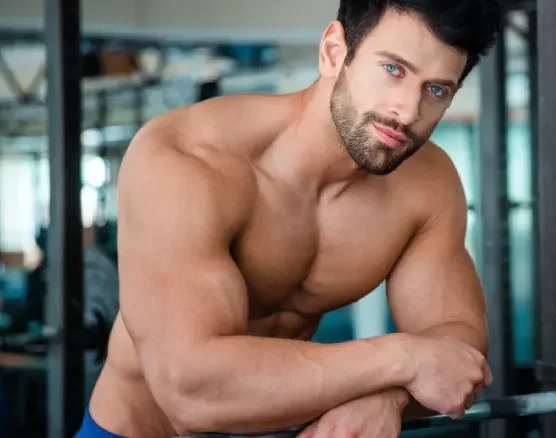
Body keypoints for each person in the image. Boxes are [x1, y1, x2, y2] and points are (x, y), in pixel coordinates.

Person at [79, 0, 502, 437]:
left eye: (436, 90)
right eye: (394, 70)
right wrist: (403, 361)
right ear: (334, 52)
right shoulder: (185, 160)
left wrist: (388, 397)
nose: (408, 111)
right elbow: (190, 390)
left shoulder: (427, 185)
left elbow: (456, 346)